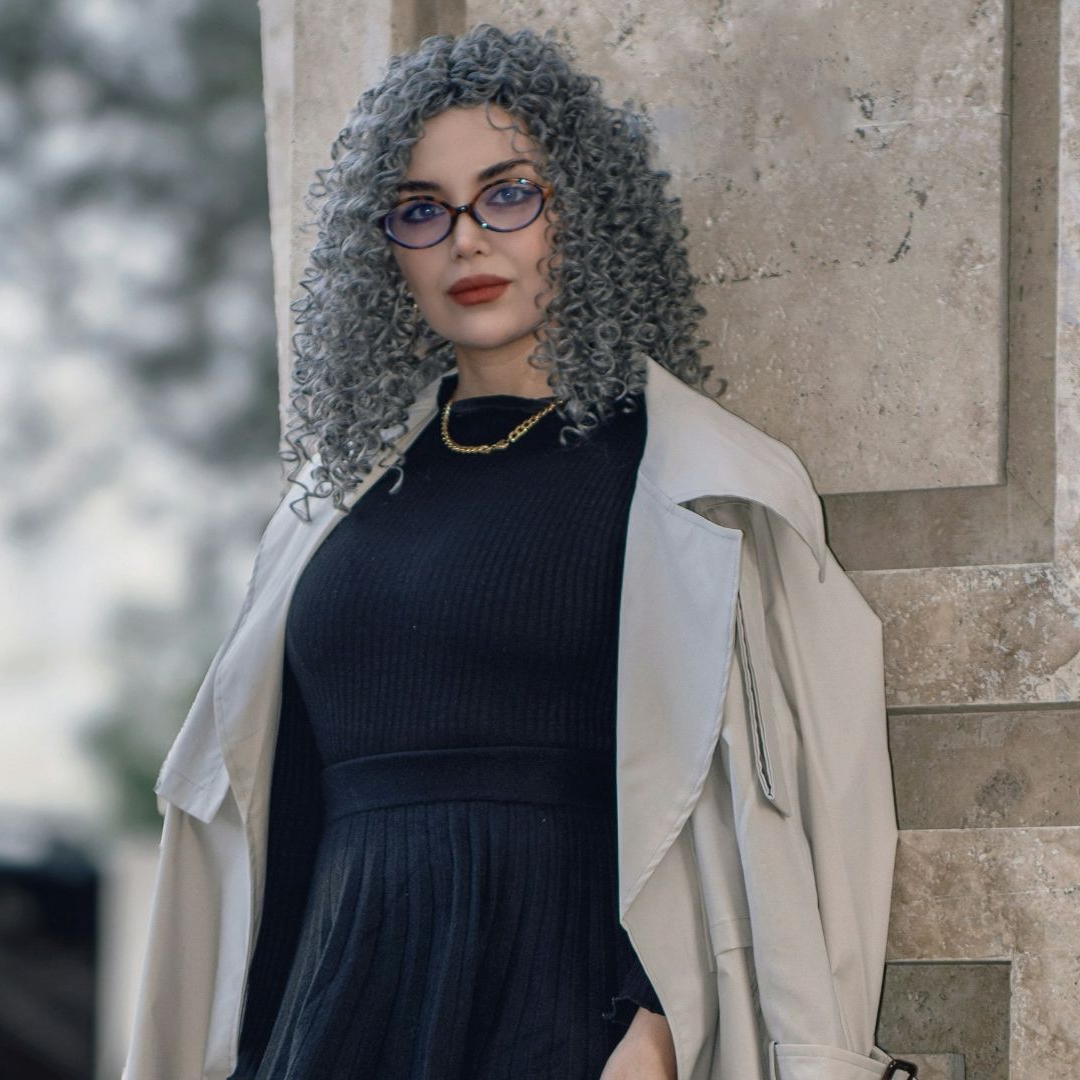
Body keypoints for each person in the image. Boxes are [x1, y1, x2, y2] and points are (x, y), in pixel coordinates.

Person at [125, 23, 907, 1080]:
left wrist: (652, 1026)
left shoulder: (698, 485)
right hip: (336, 1017)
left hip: (569, 1024)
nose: (466, 239)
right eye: (420, 210)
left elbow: (783, 815)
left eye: (507, 194)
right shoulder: (328, 508)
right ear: (383, 251)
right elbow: (276, 817)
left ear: (577, 209)